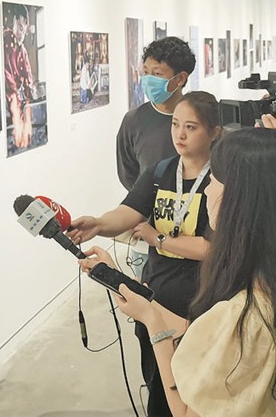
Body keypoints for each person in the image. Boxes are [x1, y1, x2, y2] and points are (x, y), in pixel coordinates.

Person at [80, 128, 276, 416]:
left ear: (239, 200)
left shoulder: (245, 317)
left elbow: (186, 411)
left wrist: (153, 325)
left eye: (213, 181)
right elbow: (206, 337)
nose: (207, 190)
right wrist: (138, 297)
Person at [71, 91, 220, 416]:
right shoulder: (160, 172)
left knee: (193, 393)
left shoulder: (220, 181)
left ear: (214, 132)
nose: (180, 134)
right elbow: (129, 212)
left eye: (191, 127)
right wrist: (98, 224)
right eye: (175, 124)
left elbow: (214, 249)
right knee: (158, 388)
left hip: (202, 303)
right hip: (155, 296)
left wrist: (158, 239)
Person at [116, 37, 196, 190]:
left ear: (180, 79)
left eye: (157, 73)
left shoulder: (200, 118)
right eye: (146, 72)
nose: (148, 80)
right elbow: (128, 175)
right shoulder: (133, 121)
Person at [3, 4, 37, 149]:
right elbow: (6, 74)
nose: (21, 34)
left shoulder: (22, 50)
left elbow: (28, 74)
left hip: (17, 98)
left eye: (24, 30)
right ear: (14, 23)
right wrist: (16, 94)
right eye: (19, 27)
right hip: (6, 96)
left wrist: (32, 92)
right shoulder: (5, 39)